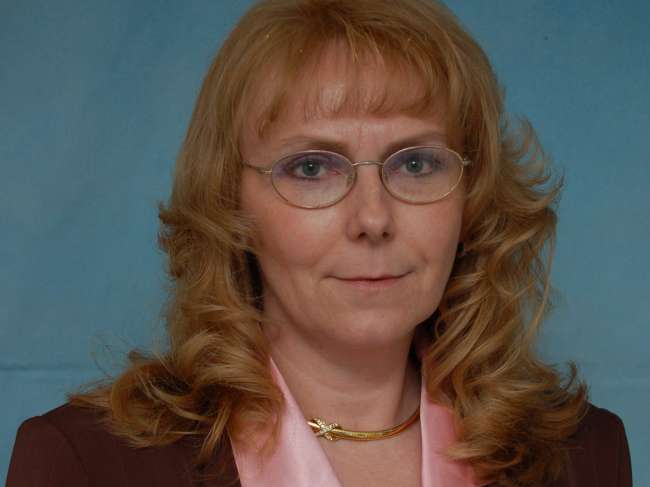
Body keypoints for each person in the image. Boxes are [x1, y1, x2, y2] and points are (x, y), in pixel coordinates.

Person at [6, 0, 632, 486]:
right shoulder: (86, 463)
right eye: (311, 168)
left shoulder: (584, 457)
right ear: (230, 204)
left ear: (472, 196)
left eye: (416, 163)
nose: (373, 218)